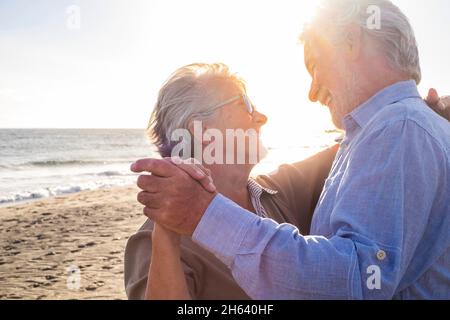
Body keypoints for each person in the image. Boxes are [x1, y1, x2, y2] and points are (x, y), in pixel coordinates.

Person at [131, 0, 450, 299]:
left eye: (315, 65)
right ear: (199, 131)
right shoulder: (381, 135)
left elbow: (356, 276)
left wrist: (413, 120)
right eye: (245, 104)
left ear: (351, 43)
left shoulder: (398, 129)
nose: (312, 92)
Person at [124, 63, 338, 299]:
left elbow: (355, 143)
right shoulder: (154, 241)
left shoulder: (278, 192)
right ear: (202, 130)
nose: (262, 118)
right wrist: (166, 233)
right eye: (245, 104)